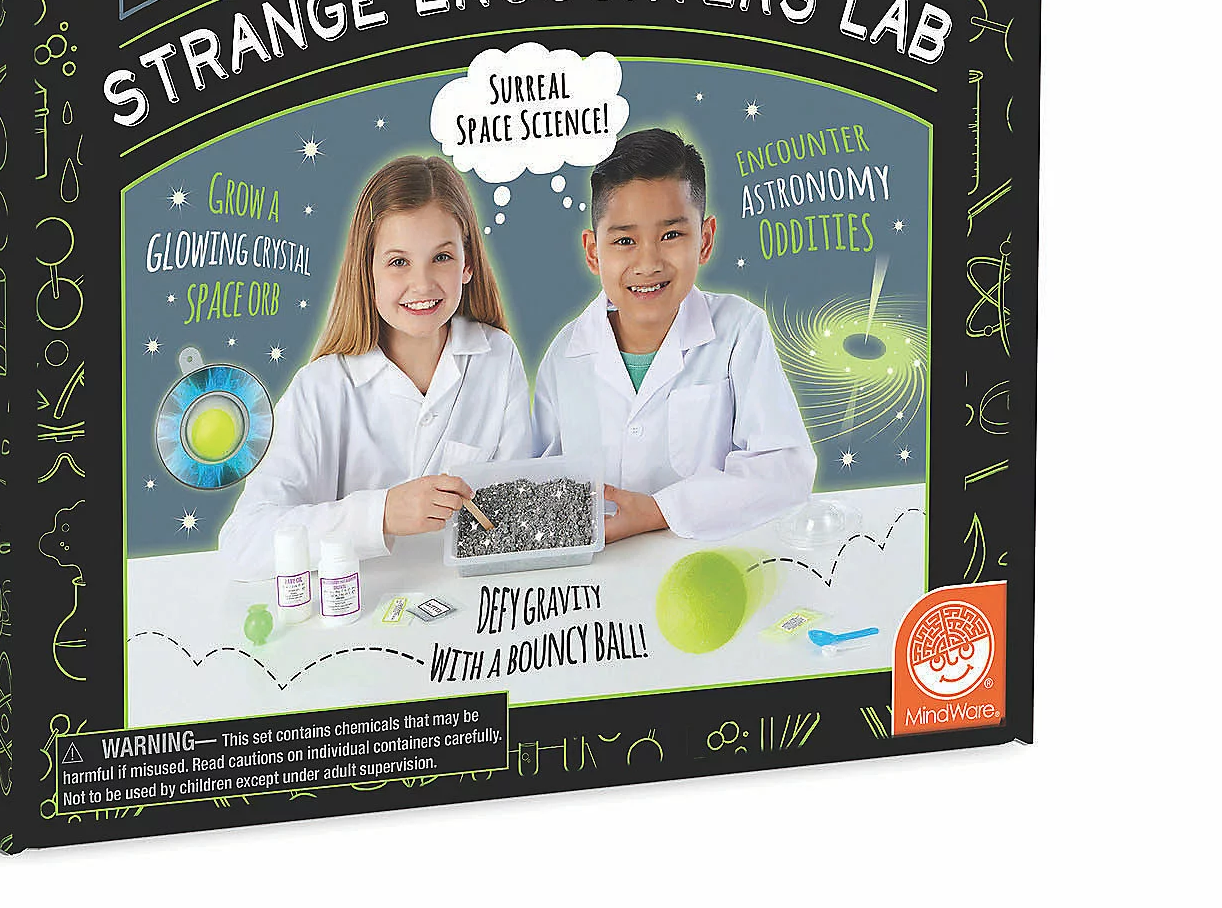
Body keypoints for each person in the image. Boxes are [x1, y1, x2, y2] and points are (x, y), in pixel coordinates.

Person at [217, 155, 531, 580]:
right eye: (399, 262)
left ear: (468, 263)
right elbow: (243, 544)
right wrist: (382, 513)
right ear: (368, 271)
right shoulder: (321, 388)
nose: (422, 284)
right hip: (358, 607)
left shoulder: (497, 357)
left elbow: (517, 510)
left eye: (441, 257)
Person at [533, 128, 814, 543]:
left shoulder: (739, 330)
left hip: (706, 558)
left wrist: (661, 510)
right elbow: (536, 480)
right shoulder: (565, 354)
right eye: (624, 240)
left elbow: (785, 470)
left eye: (670, 235)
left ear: (705, 240)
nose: (648, 263)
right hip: (601, 568)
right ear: (594, 253)